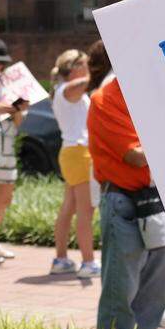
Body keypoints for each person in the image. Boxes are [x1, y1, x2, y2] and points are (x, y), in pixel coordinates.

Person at [90, 44, 165, 329]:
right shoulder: (105, 101)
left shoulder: (154, 97)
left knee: (157, 284)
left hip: (156, 200)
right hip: (124, 202)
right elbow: (135, 156)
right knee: (121, 287)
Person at [49, 49, 100, 278]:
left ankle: (60, 259)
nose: (88, 65)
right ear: (73, 68)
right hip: (79, 154)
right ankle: (88, 263)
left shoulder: (62, 91)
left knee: (69, 208)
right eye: (84, 63)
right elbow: (87, 82)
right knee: (85, 211)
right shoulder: (69, 89)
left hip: (72, 153)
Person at [0, 37, 26, 267]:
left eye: (1, 63)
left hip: (4, 147)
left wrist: (17, 110)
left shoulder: (7, 86)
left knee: (3, 198)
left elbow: (18, 123)